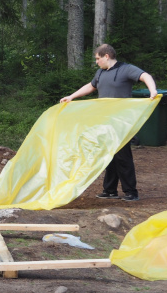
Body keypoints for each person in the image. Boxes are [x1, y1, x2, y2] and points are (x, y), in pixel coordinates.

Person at [59, 43, 157, 201]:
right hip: (105, 122)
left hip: (121, 122)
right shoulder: (100, 72)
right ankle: (110, 190)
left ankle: (131, 191)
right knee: (108, 155)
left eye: (98, 59)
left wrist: (153, 91)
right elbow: (90, 87)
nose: (96, 62)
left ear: (107, 56)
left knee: (122, 155)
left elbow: (146, 76)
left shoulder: (126, 69)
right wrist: (71, 96)